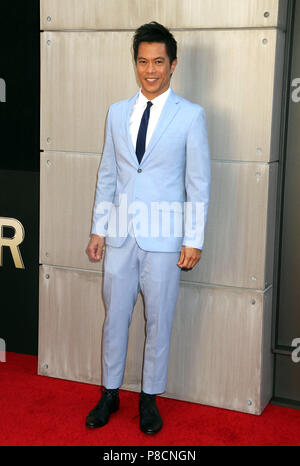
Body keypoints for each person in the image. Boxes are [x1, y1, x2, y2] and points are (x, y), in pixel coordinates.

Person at [86, 21, 211, 434]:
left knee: (159, 320)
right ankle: (109, 392)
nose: (150, 70)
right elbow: (108, 174)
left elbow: (198, 183)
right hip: (120, 234)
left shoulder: (191, 116)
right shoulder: (117, 112)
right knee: (115, 317)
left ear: (173, 65)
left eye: (159, 61)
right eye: (143, 61)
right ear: (135, 63)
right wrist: (98, 229)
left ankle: (149, 398)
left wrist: (194, 239)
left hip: (165, 239)